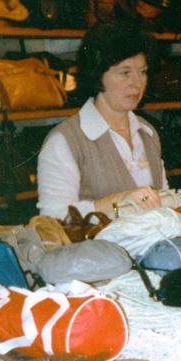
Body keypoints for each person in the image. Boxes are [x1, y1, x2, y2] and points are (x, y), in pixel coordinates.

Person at [37, 20, 168, 220]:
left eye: (142, 72)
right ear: (97, 74)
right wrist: (121, 199)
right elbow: (54, 221)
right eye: (125, 73)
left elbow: (162, 201)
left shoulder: (148, 132)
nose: (137, 83)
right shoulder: (64, 141)